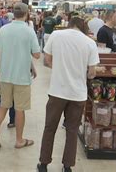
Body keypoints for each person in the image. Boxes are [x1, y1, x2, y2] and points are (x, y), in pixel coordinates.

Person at [37, 17, 99, 172]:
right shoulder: (90, 43)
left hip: (57, 91)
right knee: (72, 130)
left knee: (49, 128)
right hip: (78, 94)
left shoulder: (56, 35)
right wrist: (83, 73)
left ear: (70, 25)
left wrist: (59, 69)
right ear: (82, 27)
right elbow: (92, 72)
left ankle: (44, 164)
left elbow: (47, 60)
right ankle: (67, 166)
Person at [0, 3, 41, 149]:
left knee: (4, 105)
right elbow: (37, 54)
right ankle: (19, 140)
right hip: (22, 78)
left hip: (5, 76)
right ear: (26, 14)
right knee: (19, 109)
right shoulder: (29, 31)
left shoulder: (4, 30)